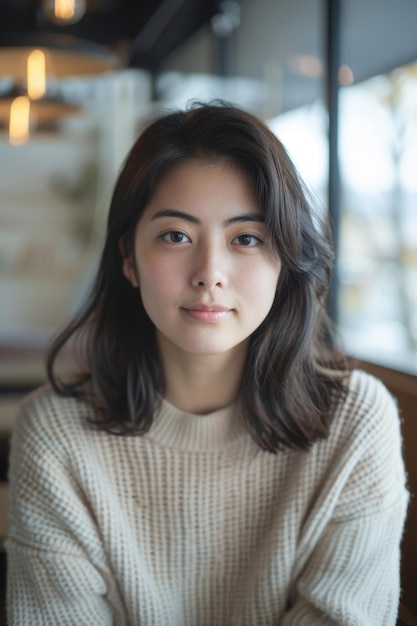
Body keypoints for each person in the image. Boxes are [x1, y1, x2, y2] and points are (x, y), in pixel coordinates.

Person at [6, 102, 408, 625]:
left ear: (284, 259)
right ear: (129, 257)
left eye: (246, 238)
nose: (209, 273)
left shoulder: (355, 420)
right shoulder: (55, 435)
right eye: (176, 235)